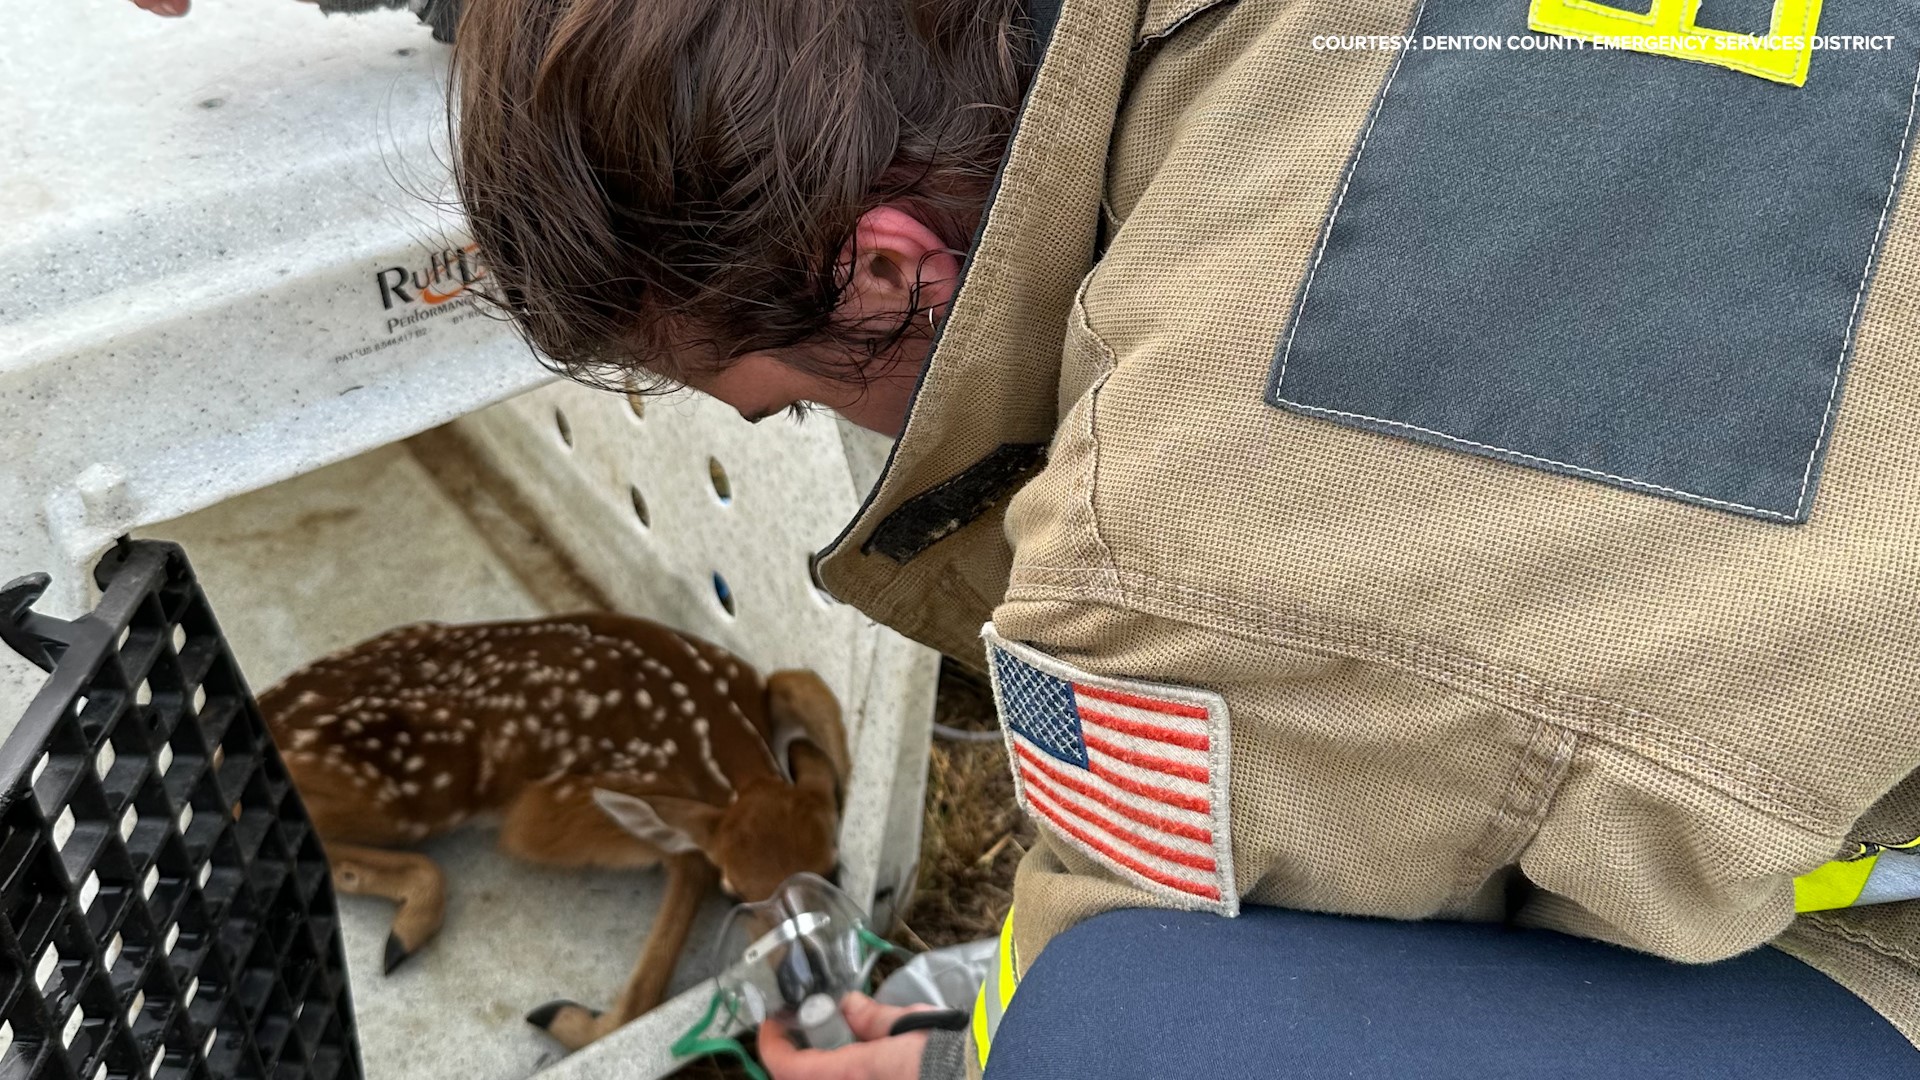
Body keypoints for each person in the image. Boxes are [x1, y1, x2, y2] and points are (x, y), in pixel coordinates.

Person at [134, 0, 1920, 1076]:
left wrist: (987, 1054)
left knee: (1135, 1038)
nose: (815, 433)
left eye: (774, 399)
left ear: (887, 269)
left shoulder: (1199, 540)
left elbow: (1158, 919)